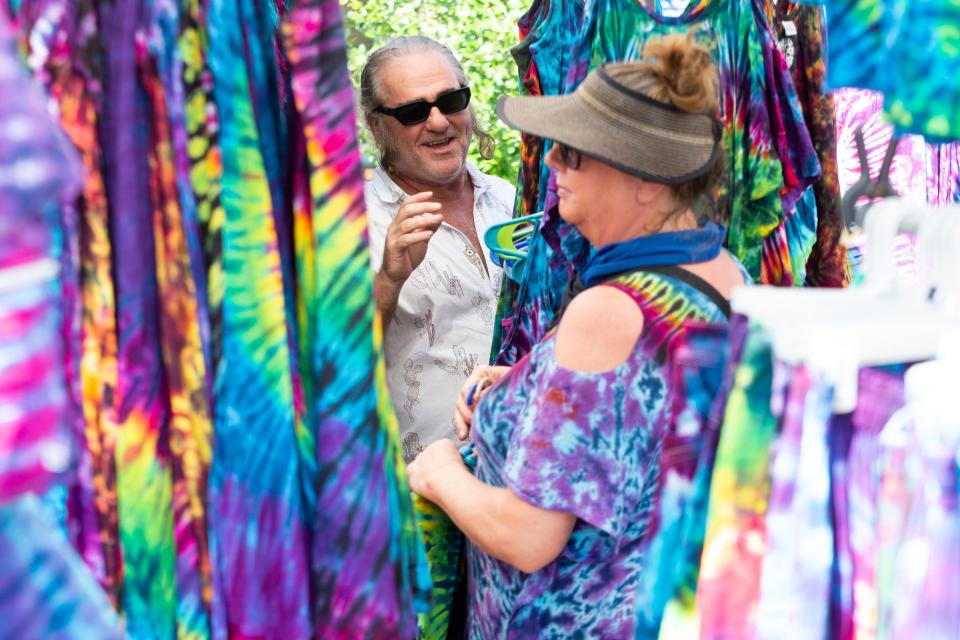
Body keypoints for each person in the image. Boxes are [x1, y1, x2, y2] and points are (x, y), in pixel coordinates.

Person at [406, 34, 750, 637]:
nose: (553, 164)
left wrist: (438, 470)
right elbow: (646, 415)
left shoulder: (609, 310)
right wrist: (528, 382)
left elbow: (528, 536)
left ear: (647, 181)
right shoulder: (719, 270)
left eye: (574, 152)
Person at [359, 37, 515, 462]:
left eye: (450, 100)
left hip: (529, 475)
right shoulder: (349, 225)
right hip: (425, 496)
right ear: (376, 126)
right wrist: (389, 279)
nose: (438, 122)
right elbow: (327, 365)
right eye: (412, 112)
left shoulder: (510, 199)